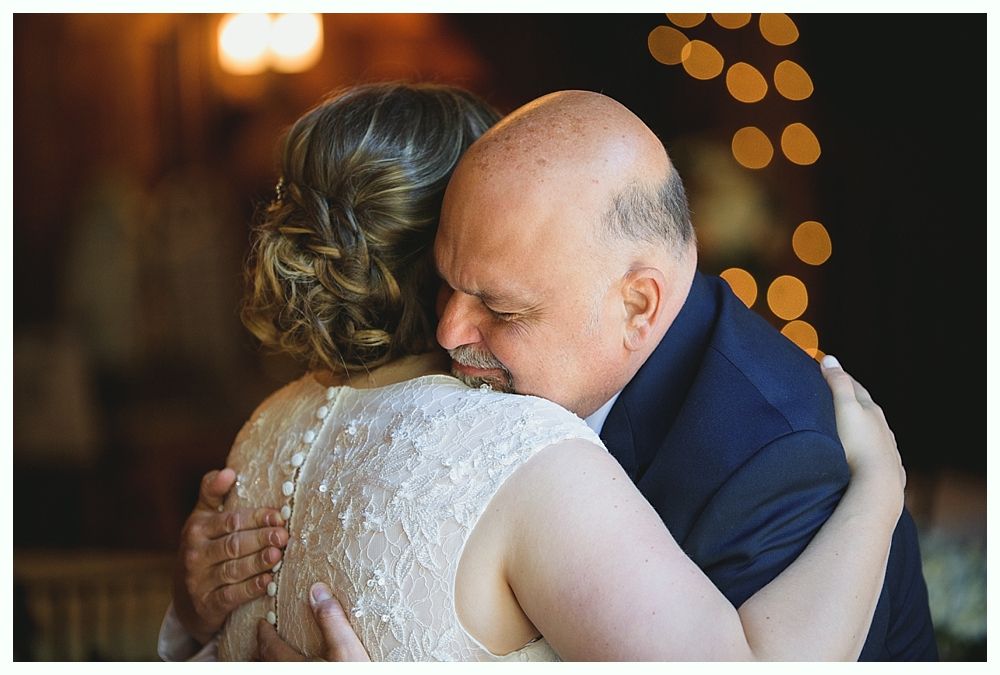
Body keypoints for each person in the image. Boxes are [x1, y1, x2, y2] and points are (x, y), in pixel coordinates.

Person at [157, 84, 925, 661]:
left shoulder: (770, 453)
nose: (453, 331)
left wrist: (879, 494)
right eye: (444, 285)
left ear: (637, 305)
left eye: (500, 305)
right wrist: (197, 618)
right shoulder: (439, 420)